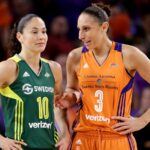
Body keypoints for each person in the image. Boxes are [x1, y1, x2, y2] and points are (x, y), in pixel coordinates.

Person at [56, 3, 150, 150]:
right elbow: (72, 90)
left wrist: (142, 121)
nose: (81, 36)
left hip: (116, 137)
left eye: (86, 29)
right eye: (79, 29)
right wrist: (69, 98)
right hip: (83, 137)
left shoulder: (129, 54)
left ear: (104, 27)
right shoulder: (75, 56)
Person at [0, 13, 70, 150]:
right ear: (20, 37)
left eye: (44, 32)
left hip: (51, 145)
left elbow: (57, 106)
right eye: (34, 32)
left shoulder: (54, 68)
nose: (41, 36)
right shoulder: (9, 67)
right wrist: (1, 140)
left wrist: (66, 135)